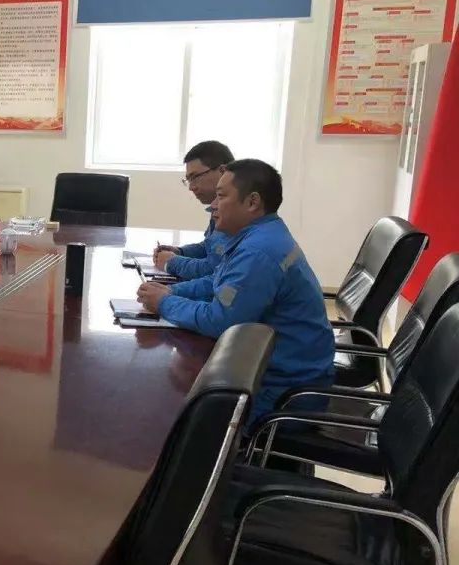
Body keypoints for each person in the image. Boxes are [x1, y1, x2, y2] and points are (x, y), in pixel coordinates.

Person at [137, 159, 334, 422]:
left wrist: (164, 303)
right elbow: (217, 281)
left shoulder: (258, 252)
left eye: (221, 196)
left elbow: (220, 321)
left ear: (252, 202)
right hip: (271, 372)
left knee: (164, 409)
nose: (213, 205)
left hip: (281, 393)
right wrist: (171, 292)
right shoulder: (260, 235)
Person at [153, 140, 233, 280]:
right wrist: (180, 252)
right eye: (188, 180)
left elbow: (214, 269)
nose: (191, 187)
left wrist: (172, 262)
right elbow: (210, 248)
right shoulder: (219, 206)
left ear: (222, 171)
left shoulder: (236, 212)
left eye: (195, 177)